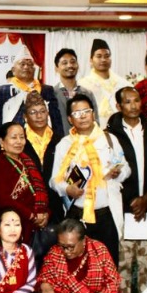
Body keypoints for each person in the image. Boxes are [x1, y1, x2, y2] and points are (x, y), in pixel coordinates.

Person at [49, 95, 128, 265]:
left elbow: (126, 168)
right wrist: (67, 189)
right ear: (70, 119)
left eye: (86, 111)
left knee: (107, 264)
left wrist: (118, 173)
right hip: (78, 214)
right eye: (77, 113)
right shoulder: (64, 144)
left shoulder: (109, 139)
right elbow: (54, 180)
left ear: (93, 114)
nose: (83, 116)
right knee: (78, 264)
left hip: (107, 214)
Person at [106, 86, 147, 293]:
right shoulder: (110, 135)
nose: (133, 106)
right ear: (119, 106)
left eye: (137, 100)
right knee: (123, 263)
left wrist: (146, 199)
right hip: (122, 207)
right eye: (128, 102)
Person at [0, 122, 50, 252]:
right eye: (14, 137)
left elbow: (41, 190)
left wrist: (45, 213)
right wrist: (31, 215)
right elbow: (3, 199)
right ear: (1, 142)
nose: (19, 141)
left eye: (22, 137)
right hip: (10, 226)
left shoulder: (27, 160)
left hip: (33, 226)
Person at [0, 45, 63, 132]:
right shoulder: (3, 91)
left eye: (30, 64)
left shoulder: (46, 90)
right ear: (13, 70)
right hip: (13, 138)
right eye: (22, 64)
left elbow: (56, 120)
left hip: (43, 138)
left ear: (34, 69)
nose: (26, 67)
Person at [21, 91, 64, 228]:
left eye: (42, 111)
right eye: (33, 112)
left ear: (48, 113)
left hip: (56, 207)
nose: (39, 116)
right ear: (25, 117)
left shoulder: (60, 141)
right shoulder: (19, 142)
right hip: (27, 209)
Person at [77, 38, 131, 126]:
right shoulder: (83, 85)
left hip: (121, 128)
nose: (103, 60)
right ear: (91, 60)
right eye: (99, 56)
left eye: (107, 56)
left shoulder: (123, 84)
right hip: (94, 129)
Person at [52, 48, 97, 137]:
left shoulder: (88, 94)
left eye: (73, 62)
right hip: (60, 143)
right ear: (56, 68)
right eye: (64, 63)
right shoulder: (51, 94)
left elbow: (95, 122)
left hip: (86, 142)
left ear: (77, 65)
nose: (69, 65)